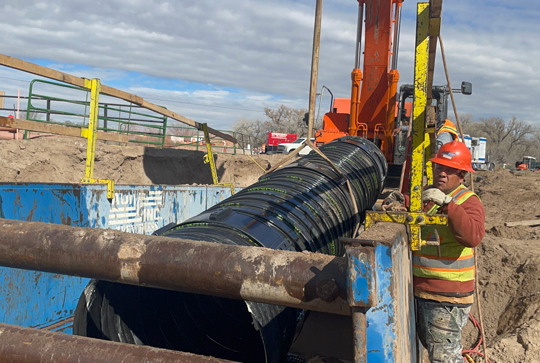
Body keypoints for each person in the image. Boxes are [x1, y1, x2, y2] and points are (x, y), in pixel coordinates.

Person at [415, 140, 485, 362]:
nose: (442, 173)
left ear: (462, 175)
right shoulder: (430, 195)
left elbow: (473, 236)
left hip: (447, 296)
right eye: (439, 168)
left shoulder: (468, 202)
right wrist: (401, 201)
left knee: (444, 357)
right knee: (436, 348)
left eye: (449, 169)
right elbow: (415, 210)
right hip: (424, 290)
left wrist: (449, 205)